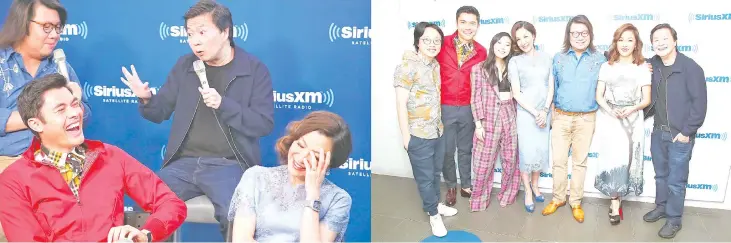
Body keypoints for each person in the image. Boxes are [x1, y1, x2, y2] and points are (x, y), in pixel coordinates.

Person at [119, 0, 274, 237]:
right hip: (183, 164)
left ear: (225, 32)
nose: (195, 41)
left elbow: (263, 124)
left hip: (229, 164)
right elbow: (159, 113)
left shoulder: (254, 70)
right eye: (190, 34)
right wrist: (147, 99)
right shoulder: (185, 66)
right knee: (147, 204)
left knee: (235, 215)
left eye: (202, 32)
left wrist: (224, 104)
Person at [0, 74, 187, 242]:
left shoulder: (111, 156)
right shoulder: (13, 180)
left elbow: (171, 204)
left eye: (75, 104)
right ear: (36, 123)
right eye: (61, 109)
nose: (75, 113)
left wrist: (145, 234)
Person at [0, 0, 92, 187]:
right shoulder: (3, 64)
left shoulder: (61, 68)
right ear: (22, 24)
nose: (54, 35)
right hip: (7, 162)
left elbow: (85, 115)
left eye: (58, 28)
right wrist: (46, 117)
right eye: (46, 27)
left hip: (57, 164)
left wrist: (76, 103)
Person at [228, 111, 353, 242]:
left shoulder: (338, 200)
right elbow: (241, 239)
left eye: (315, 156)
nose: (301, 157)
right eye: (300, 145)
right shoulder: (255, 177)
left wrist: (312, 195)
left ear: (330, 162)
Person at [643, 23, 707, 239]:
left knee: (676, 181)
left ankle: (674, 219)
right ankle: (661, 208)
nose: (660, 43)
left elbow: (700, 106)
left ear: (675, 41)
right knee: (660, 176)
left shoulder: (691, 68)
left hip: (680, 135)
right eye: (656, 40)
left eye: (664, 38)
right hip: (657, 132)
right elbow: (626, 62)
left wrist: (687, 131)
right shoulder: (652, 64)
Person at [394, 22, 457, 238]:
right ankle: (433, 215)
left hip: (437, 131)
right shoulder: (406, 67)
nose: (432, 44)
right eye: (427, 40)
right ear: (417, 42)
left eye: (436, 40)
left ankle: (435, 204)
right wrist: (406, 137)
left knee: (435, 173)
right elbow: (400, 104)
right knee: (425, 178)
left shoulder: (435, 65)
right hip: (417, 135)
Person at [541, 15, 606, 223]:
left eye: (584, 33)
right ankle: (558, 198)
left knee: (580, 163)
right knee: (558, 161)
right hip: (560, 117)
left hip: (586, 119)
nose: (579, 37)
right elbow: (553, 87)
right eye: (575, 33)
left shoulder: (600, 59)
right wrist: (551, 114)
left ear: (590, 35)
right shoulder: (558, 58)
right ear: (568, 35)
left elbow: (623, 66)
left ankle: (575, 201)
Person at [593, 23, 652, 225]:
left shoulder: (643, 66)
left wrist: (631, 109)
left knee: (628, 159)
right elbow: (599, 96)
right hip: (611, 118)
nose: (625, 44)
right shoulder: (606, 66)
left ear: (636, 43)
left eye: (629, 40)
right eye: (621, 40)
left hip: (634, 118)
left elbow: (646, 99)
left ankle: (621, 196)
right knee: (613, 160)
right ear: (615, 42)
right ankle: (615, 201)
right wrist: (612, 111)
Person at [435, 6, 488, 206]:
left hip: (468, 108)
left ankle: (466, 184)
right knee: (448, 150)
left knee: (466, 149)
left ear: (478, 25)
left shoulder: (482, 52)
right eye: (463, 22)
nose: (468, 27)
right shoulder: (442, 43)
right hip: (445, 106)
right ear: (456, 23)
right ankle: (451, 186)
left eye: (472, 23)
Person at [469, 32, 520, 211]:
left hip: (510, 115)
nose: (503, 47)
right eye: (499, 43)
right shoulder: (479, 68)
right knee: (483, 162)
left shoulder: (514, 67)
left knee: (511, 159)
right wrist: (478, 124)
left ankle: (507, 195)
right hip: (488, 119)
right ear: (493, 44)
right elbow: (475, 98)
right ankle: (478, 200)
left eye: (507, 44)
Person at [507, 21, 553, 213]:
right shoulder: (514, 61)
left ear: (533, 35)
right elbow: (516, 93)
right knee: (526, 153)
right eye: (518, 38)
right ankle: (527, 190)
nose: (523, 41)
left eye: (526, 36)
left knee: (540, 151)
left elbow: (551, 86)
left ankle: (536, 185)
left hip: (545, 112)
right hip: (526, 115)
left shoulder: (547, 58)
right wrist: (536, 113)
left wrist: (544, 111)